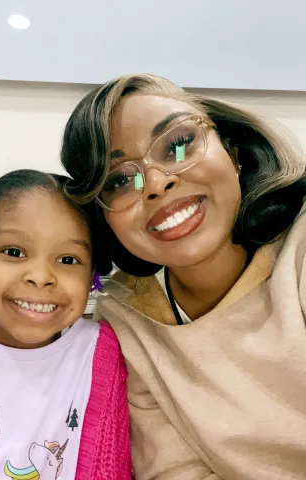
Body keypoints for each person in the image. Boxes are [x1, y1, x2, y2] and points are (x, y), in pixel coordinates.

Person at [60, 73, 306, 479]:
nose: (157, 183)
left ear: (233, 150)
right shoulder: (126, 320)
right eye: (120, 180)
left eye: (178, 144)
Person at [0, 169, 131, 480]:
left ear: (91, 278)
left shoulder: (100, 353)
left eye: (68, 260)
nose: (41, 276)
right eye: (14, 252)